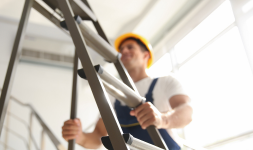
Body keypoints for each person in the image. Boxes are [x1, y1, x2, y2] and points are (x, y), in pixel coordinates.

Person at [62, 33, 193, 150]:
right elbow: (98, 136)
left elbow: (186, 110)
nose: (123, 51)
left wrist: (162, 119)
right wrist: (79, 137)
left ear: (145, 55)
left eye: (130, 47)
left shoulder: (165, 82)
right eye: (121, 49)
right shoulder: (114, 94)